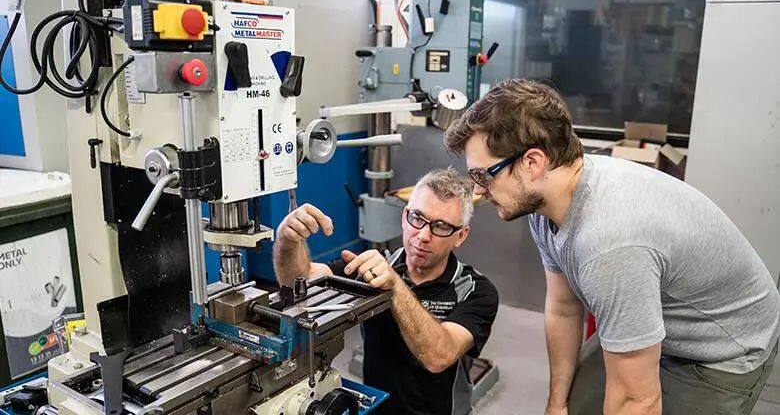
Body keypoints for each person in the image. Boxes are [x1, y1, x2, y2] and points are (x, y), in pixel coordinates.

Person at [443, 78, 780, 415]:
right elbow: (563, 307)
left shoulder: (608, 243)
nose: (479, 190)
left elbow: (639, 401)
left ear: (532, 163)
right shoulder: (544, 203)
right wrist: (557, 404)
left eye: (484, 175)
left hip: (721, 348)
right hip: (655, 319)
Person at [273, 168, 499, 415]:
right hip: (377, 407)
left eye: (441, 226)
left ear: (461, 235)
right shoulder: (374, 267)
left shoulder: (475, 290)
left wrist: (395, 287)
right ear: (404, 217)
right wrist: (287, 242)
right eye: (418, 218)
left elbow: (438, 356)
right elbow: (299, 283)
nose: (423, 235)